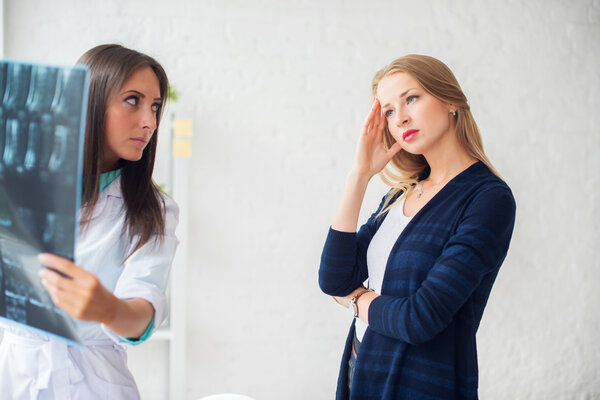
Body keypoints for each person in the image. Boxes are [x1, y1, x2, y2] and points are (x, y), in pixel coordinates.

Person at [318, 54, 516, 399]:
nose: (402, 117)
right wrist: (360, 175)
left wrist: (356, 300)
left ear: (451, 100)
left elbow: (419, 318)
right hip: (361, 365)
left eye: (412, 98)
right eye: (390, 111)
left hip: (419, 383)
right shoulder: (402, 192)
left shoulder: (487, 199)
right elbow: (334, 278)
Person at [0, 44, 179, 399]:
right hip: (14, 372)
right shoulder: (18, 182)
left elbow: (144, 308)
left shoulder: (153, 209)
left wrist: (107, 308)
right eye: (133, 100)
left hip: (93, 384)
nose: (150, 122)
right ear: (90, 101)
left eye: (156, 107)